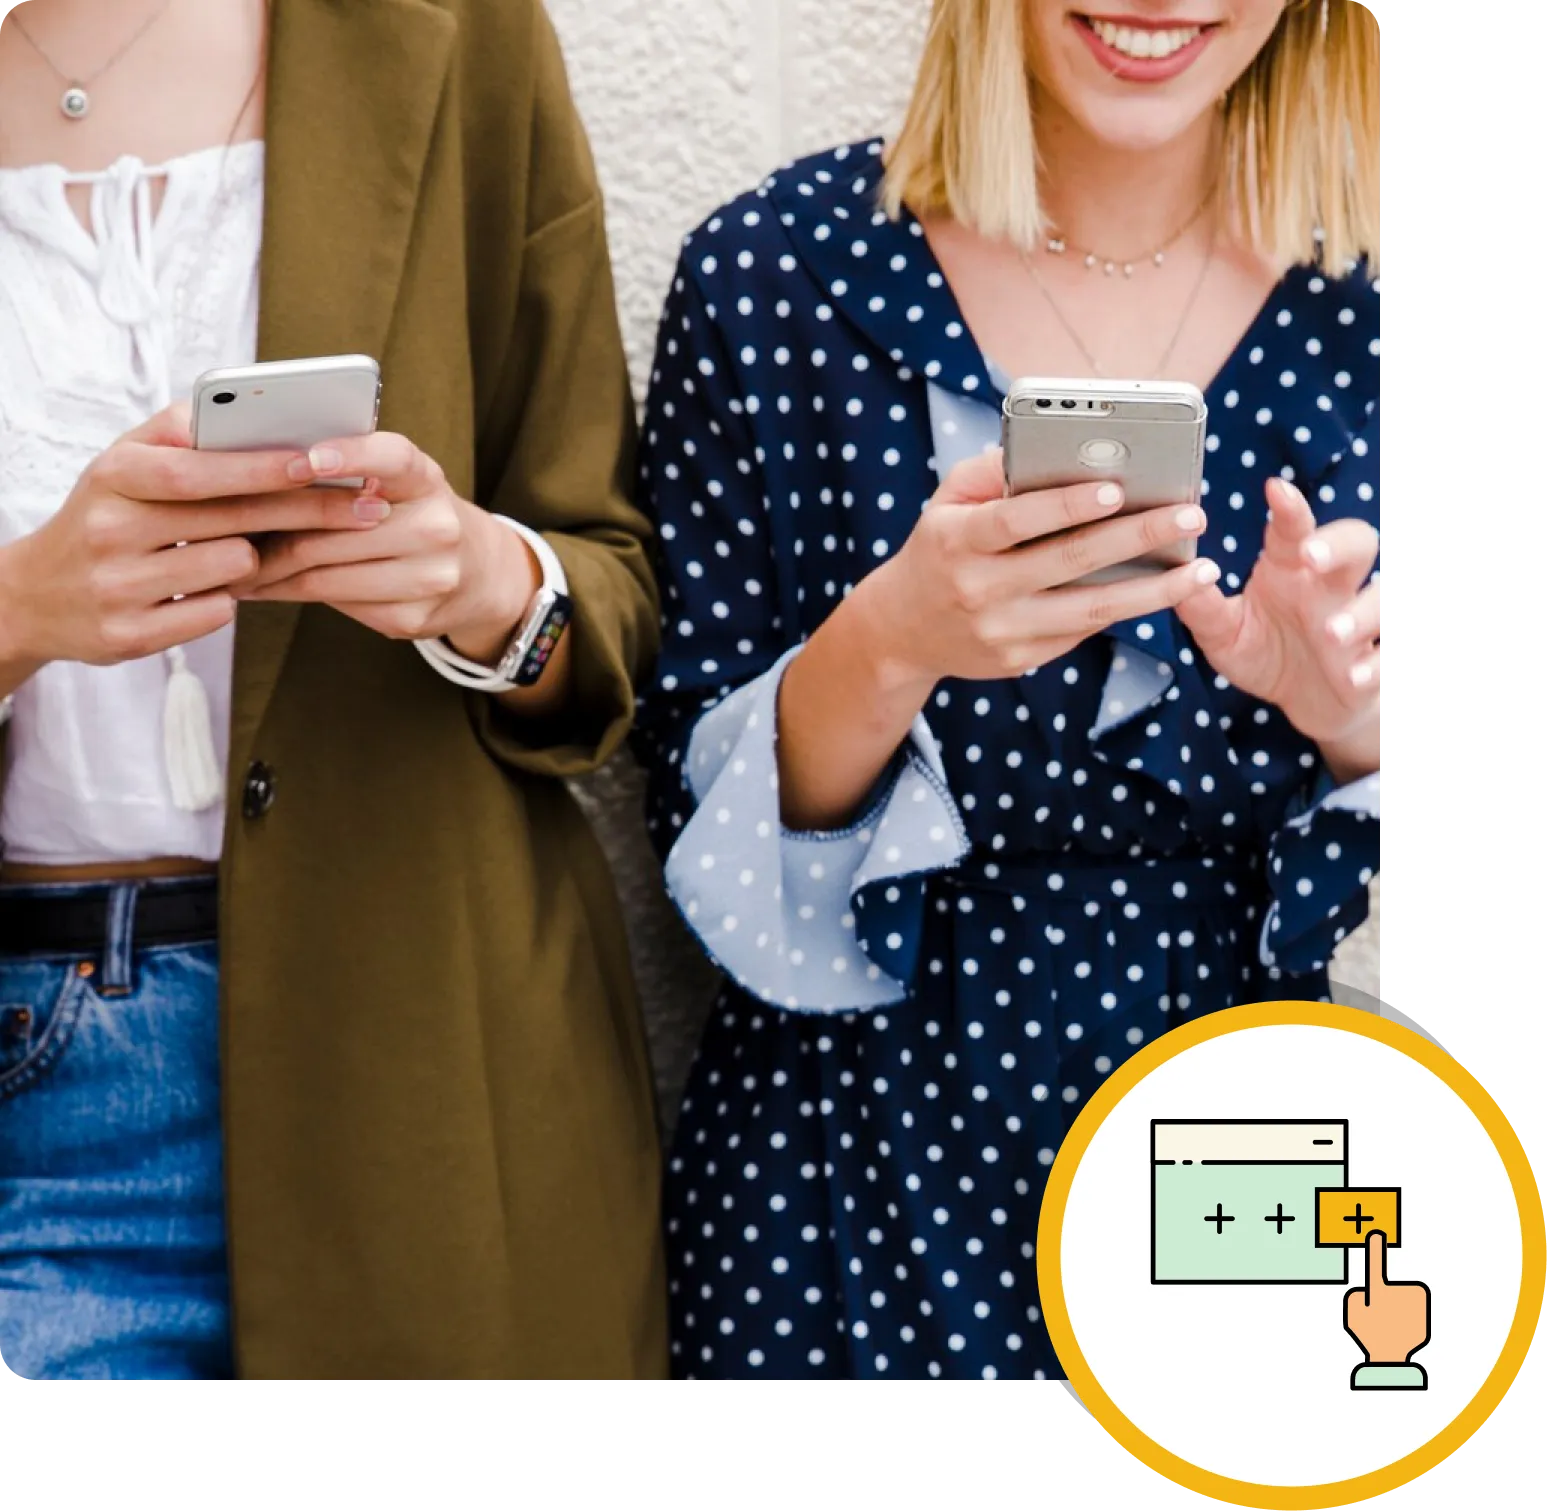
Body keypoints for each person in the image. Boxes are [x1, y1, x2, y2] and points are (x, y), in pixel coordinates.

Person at [632, 0, 1382, 1383]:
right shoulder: (772, 274)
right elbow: (682, 806)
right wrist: (893, 635)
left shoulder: (1363, 314)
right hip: (842, 1156)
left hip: (1237, 1150)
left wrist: (1341, 709)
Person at [0, 0, 666, 1383]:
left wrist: (479, 579)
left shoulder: (450, 31)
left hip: (418, 1055)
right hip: (32, 1119)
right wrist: (21, 613)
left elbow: (614, 596)